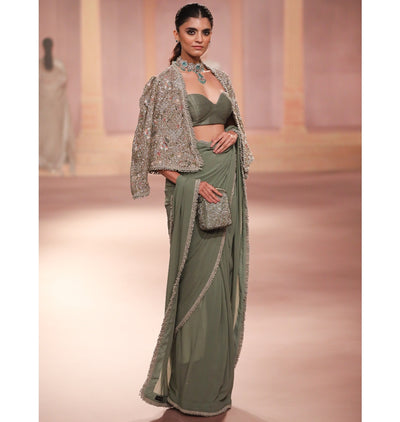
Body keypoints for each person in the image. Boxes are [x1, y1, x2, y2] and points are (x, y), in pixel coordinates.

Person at [130, 3, 254, 416]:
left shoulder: (221, 77)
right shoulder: (165, 83)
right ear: (177, 34)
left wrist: (233, 133)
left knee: (223, 281)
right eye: (191, 31)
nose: (199, 39)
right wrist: (192, 185)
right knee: (197, 282)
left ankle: (214, 384)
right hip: (194, 186)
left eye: (205, 32)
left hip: (227, 183)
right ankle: (188, 387)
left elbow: (232, 122)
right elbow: (154, 151)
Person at [39, 37, 75, 174]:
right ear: (52, 47)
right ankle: (55, 161)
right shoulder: (59, 65)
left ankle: (43, 160)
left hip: (42, 108)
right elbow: (63, 82)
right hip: (55, 107)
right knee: (56, 133)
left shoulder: (38, 65)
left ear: (43, 47)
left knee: (43, 132)